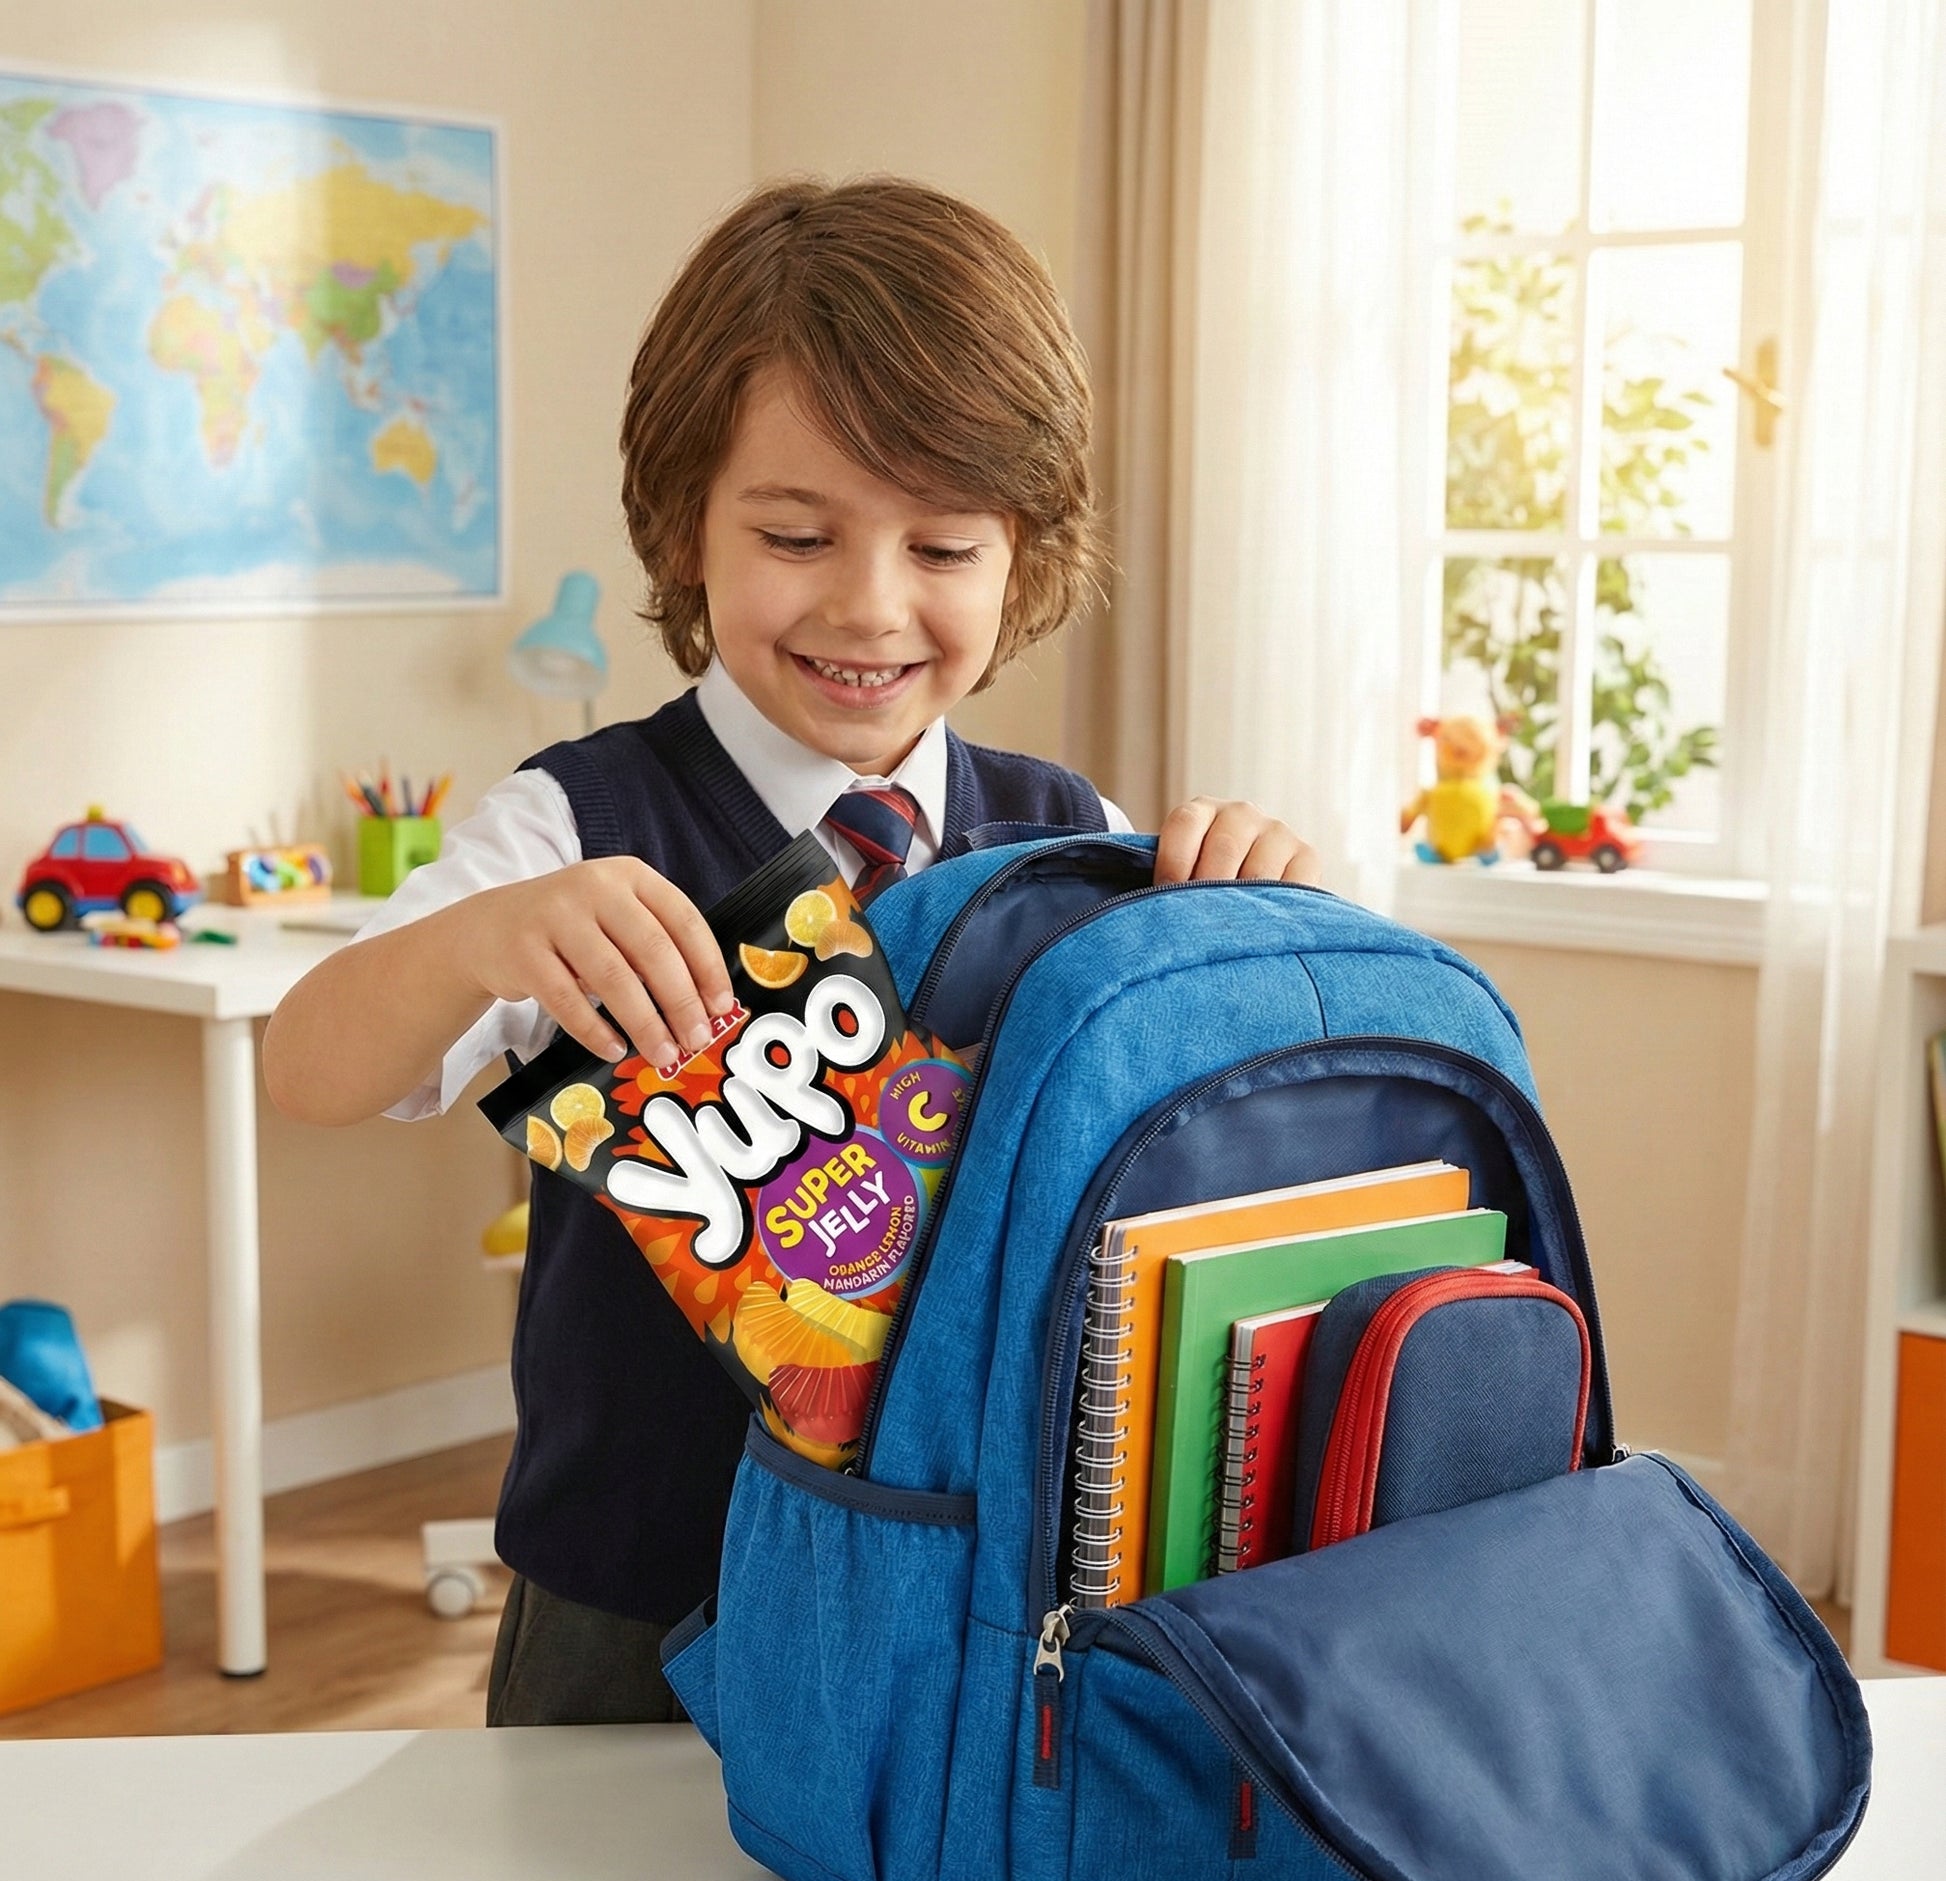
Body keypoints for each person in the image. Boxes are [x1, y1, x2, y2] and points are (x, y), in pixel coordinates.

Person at [262, 175, 1320, 1726]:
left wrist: (1253, 913)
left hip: (965, 1580)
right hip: (633, 1590)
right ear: (684, 524)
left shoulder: (1068, 831)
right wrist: (484, 939)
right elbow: (311, 1068)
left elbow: (1197, 1158)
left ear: (1020, 556)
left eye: (945, 547)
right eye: (796, 533)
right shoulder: (577, 821)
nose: (870, 606)